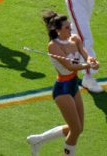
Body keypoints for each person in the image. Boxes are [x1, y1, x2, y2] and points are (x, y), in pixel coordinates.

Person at [25, 10, 96, 154]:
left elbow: (84, 54)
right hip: (62, 89)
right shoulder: (53, 46)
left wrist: (91, 60)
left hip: (73, 85)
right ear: (57, 31)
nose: (70, 29)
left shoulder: (75, 39)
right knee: (75, 129)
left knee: (78, 128)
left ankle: (38, 140)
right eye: (67, 28)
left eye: (70, 26)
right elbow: (70, 66)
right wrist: (88, 66)